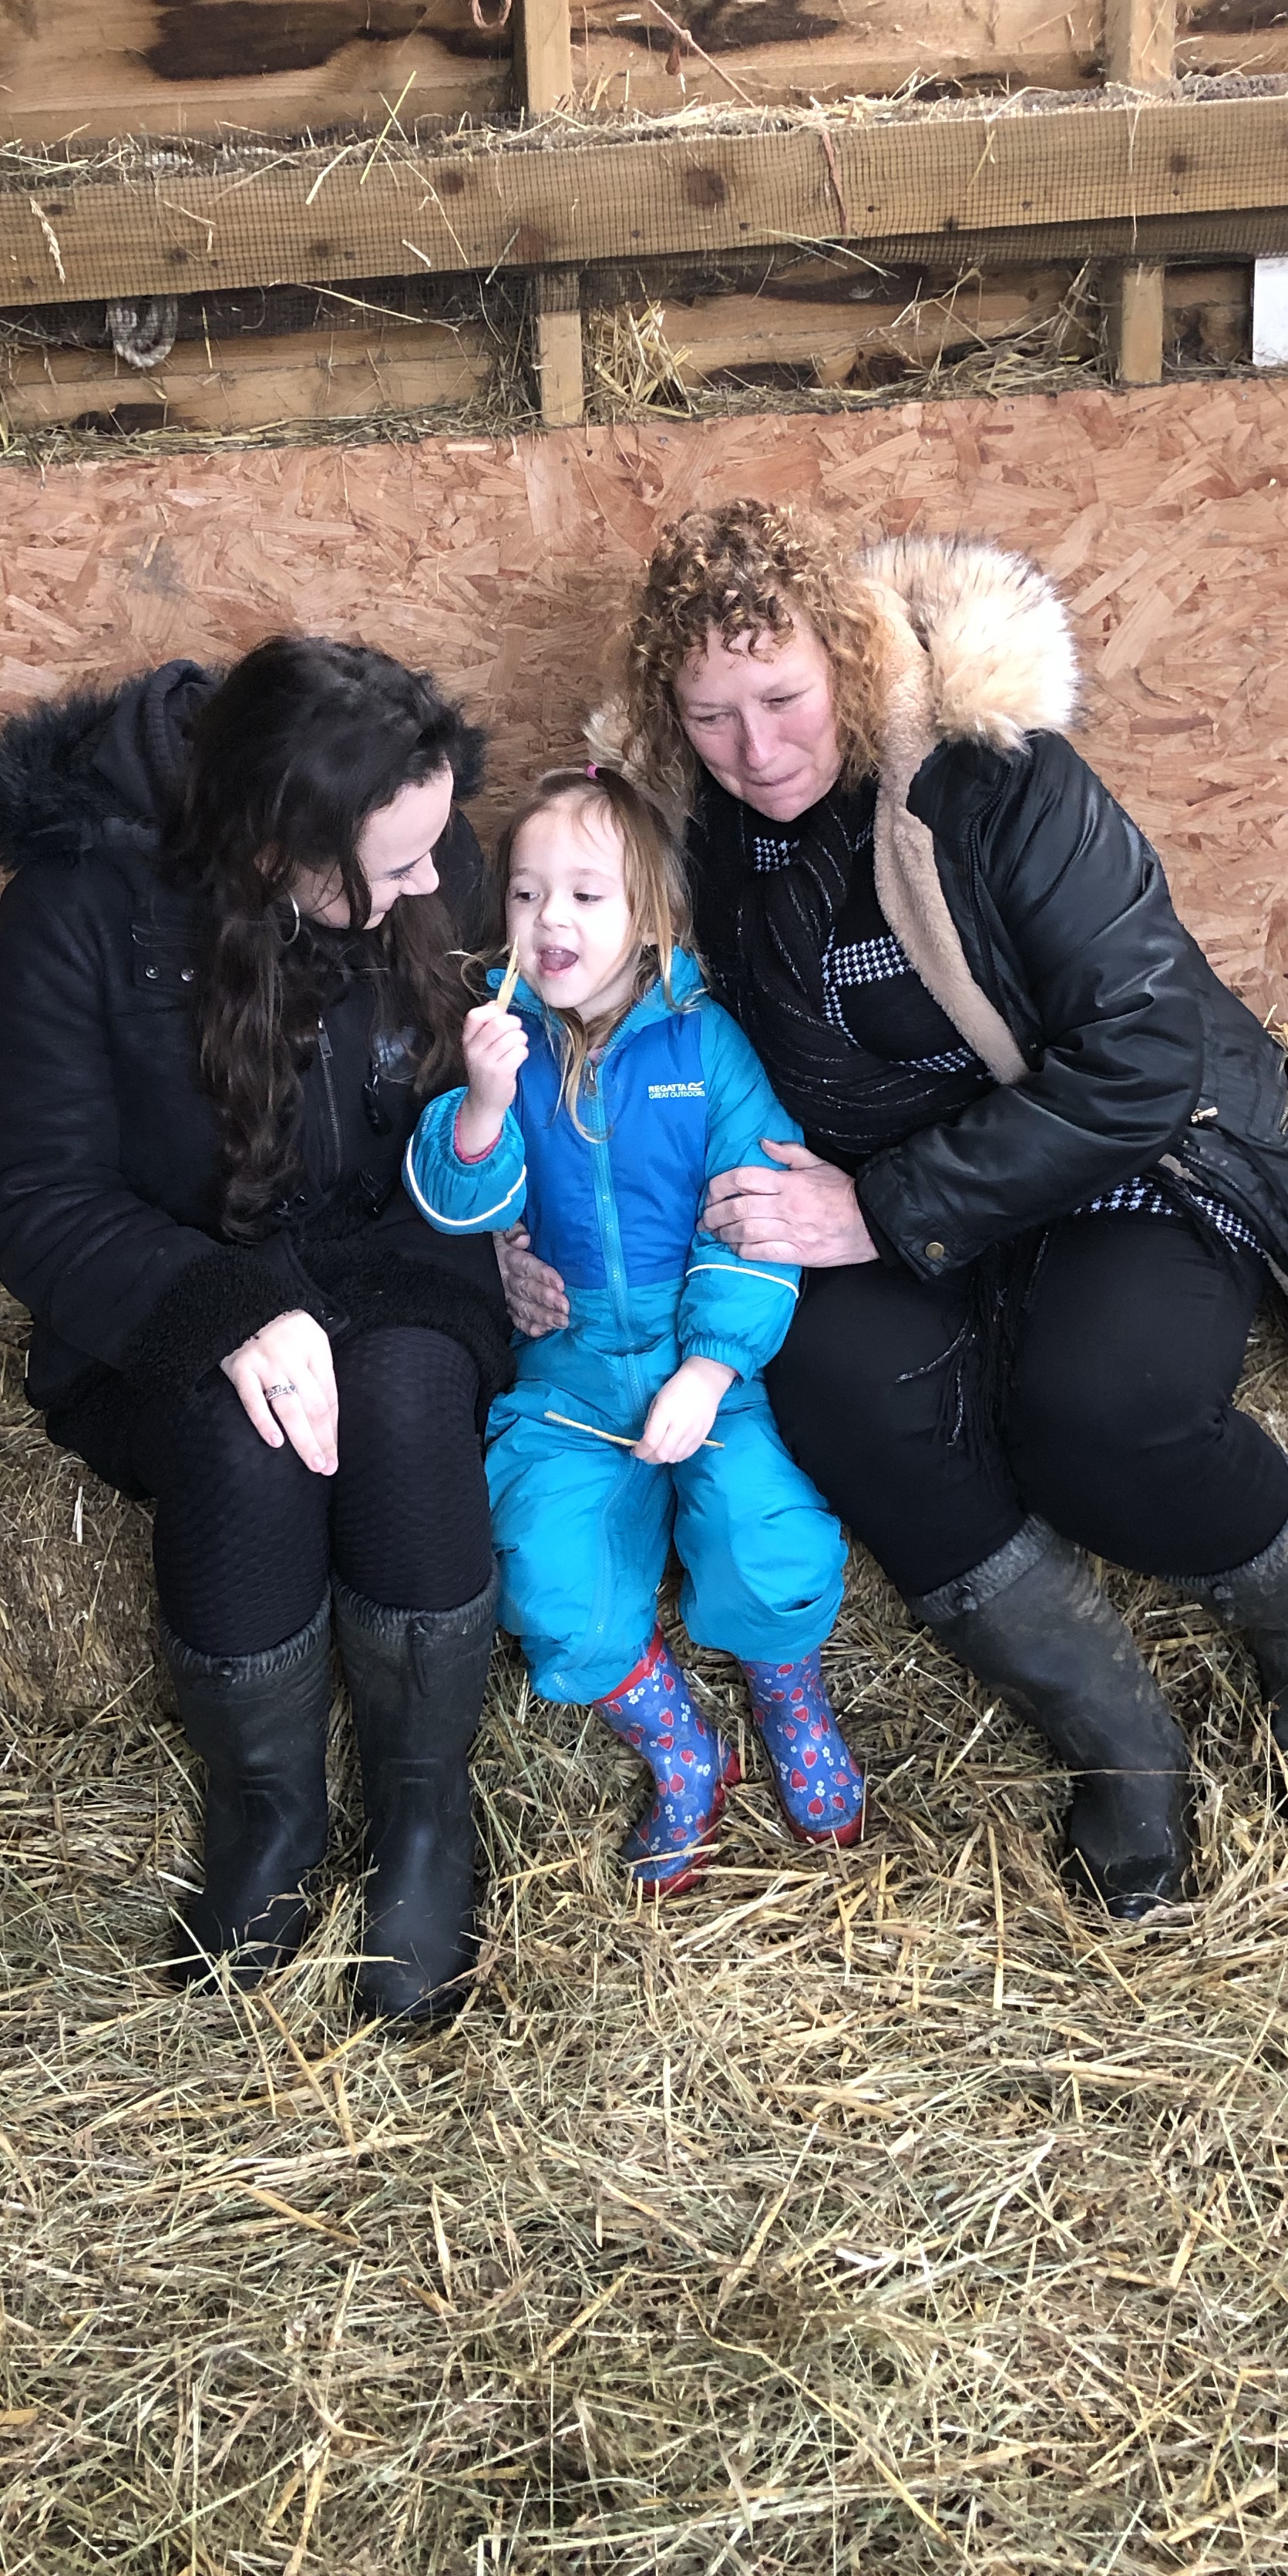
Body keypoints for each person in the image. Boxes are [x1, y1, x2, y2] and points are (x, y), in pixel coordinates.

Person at [506, 504, 1288, 1919]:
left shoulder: (996, 779)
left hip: (1119, 1165)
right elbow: (609, 1039)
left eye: (784, 699)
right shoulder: (686, 832)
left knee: (1102, 1412)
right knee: (833, 1389)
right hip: (866, 1191)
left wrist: (884, 1210)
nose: (758, 749)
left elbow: (1143, 1057)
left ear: (847, 659)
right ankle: (1116, 1733)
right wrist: (534, 1227)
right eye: (712, 716)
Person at [0, 637, 513, 2025]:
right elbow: (36, 1195)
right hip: (181, 1277)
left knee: (402, 1401)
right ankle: (269, 1813)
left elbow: (491, 1092)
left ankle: (424, 1809)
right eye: (395, 867)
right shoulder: (78, 903)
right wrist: (223, 1308)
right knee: (249, 1434)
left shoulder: (417, 844)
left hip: (390, 1257)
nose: (434, 886)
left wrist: (521, 1222)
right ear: (280, 846)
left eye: (433, 850)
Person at [407, 766, 863, 1894]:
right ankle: (681, 1745)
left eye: (585, 894)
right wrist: (480, 1105)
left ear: (652, 916)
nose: (548, 920)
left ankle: (789, 1696)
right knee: (545, 1576)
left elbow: (758, 1216)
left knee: (770, 1542)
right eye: (525, 895)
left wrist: (708, 1369)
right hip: (565, 1382)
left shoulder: (706, 1049)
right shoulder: (500, 1045)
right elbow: (460, 1202)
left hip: (703, 1367)